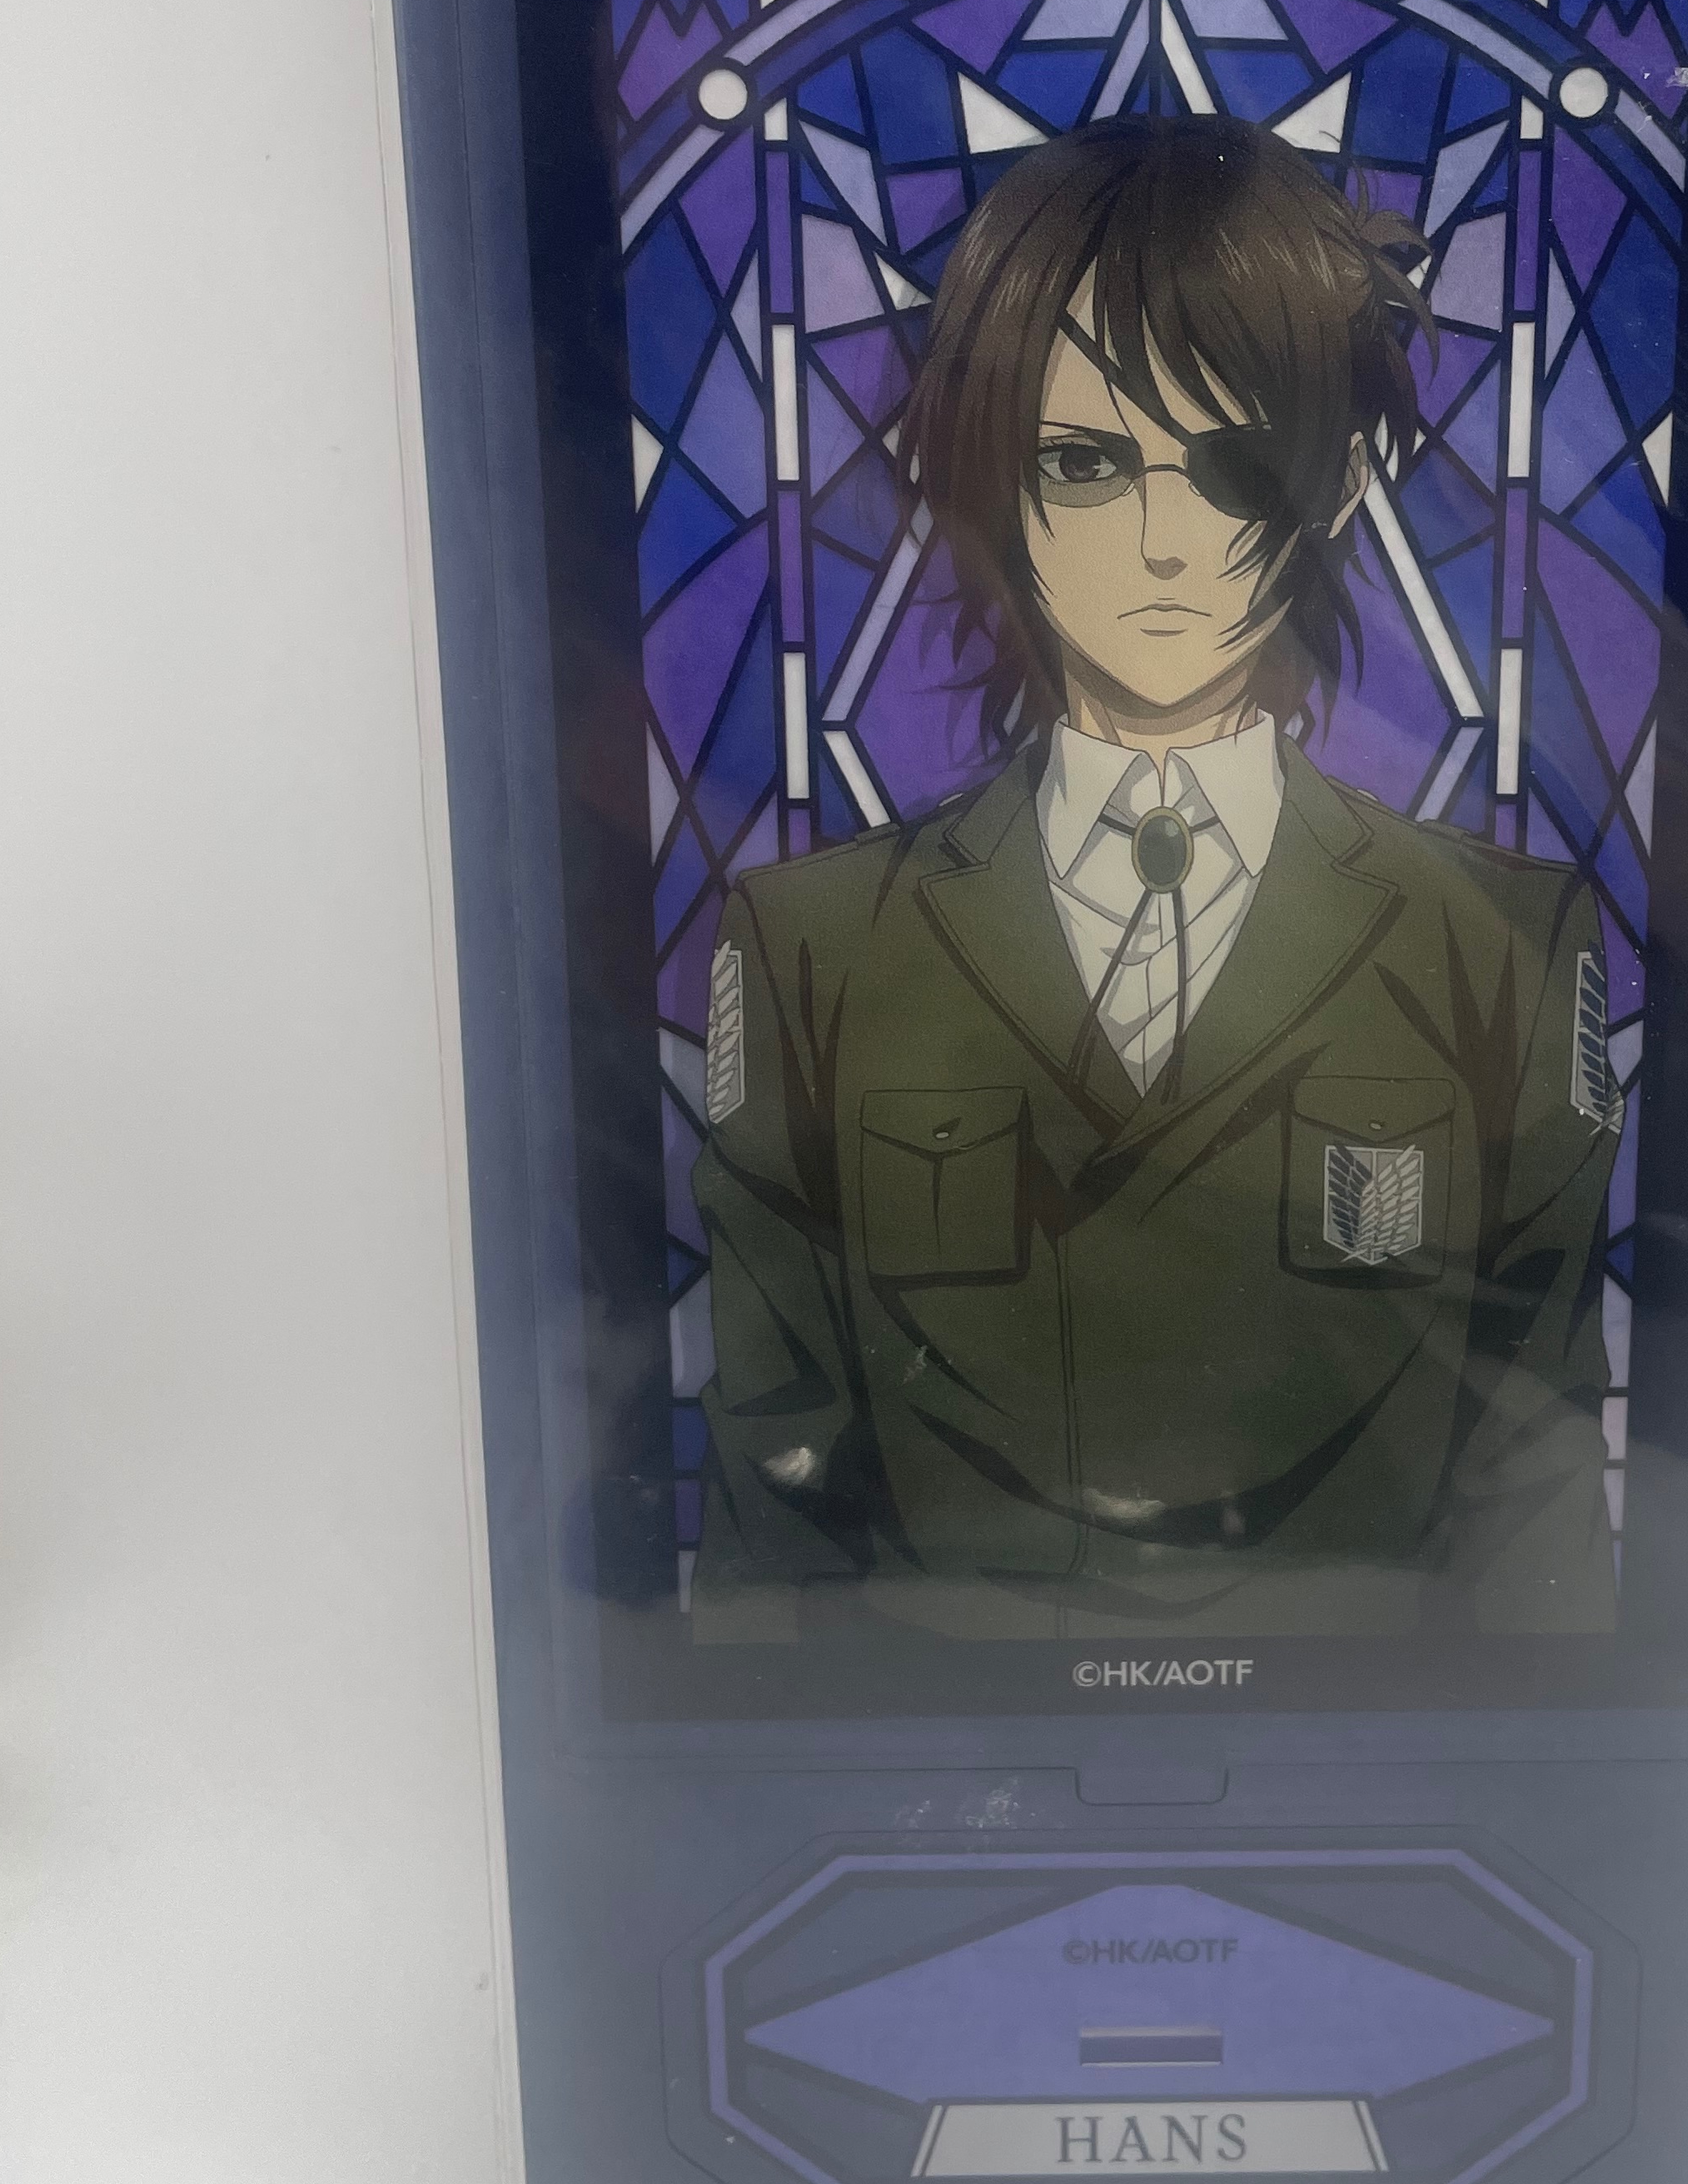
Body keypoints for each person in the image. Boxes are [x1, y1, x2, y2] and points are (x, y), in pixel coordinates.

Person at [691, 116, 1619, 1644]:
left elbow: (1539, 1499)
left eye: (1238, 467)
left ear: (1338, 482)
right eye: (1084, 463)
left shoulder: (1507, 951)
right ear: (986, 475)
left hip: (1362, 1752)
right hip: (945, 1750)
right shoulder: (808, 952)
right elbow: (768, 1506)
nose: (1162, 545)